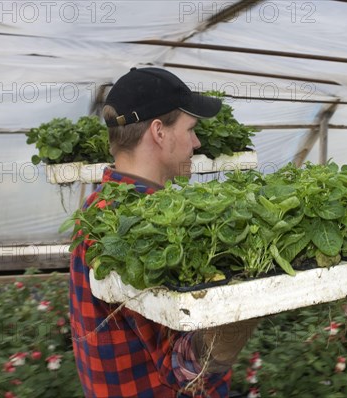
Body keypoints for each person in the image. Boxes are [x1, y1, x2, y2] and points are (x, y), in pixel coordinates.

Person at [69, 67, 258, 398]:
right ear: (158, 131)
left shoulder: (97, 208)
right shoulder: (141, 226)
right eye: (191, 129)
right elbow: (184, 369)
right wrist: (250, 304)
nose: (196, 143)